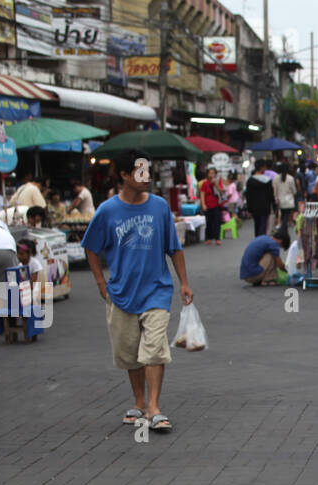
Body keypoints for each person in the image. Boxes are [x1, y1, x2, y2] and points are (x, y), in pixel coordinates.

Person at [82, 148, 192, 432]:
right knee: (130, 352)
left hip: (157, 290)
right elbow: (91, 248)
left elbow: (174, 248)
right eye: (140, 172)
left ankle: (154, 407)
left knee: (154, 349)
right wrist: (99, 282)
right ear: (124, 175)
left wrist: (184, 283)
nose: (146, 178)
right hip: (121, 293)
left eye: (148, 172)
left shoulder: (159, 207)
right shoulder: (107, 210)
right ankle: (140, 401)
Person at [245, 159, 275, 238]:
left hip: (254, 207)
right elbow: (270, 194)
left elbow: (248, 195)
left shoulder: (250, 180)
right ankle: (261, 240)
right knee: (263, 225)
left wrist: (249, 209)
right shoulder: (267, 181)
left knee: (257, 225)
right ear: (261, 168)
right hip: (265, 206)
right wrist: (274, 204)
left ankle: (257, 239)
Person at [199, 166, 225, 246]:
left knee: (217, 222)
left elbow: (221, 192)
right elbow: (202, 194)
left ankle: (217, 238)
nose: (211, 175)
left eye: (213, 173)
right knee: (209, 222)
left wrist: (216, 184)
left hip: (217, 205)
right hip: (208, 205)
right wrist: (203, 204)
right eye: (210, 173)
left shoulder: (217, 182)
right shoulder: (205, 183)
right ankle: (208, 238)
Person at [272, 161, 300, 229]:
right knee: (286, 216)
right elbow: (294, 191)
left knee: (282, 215)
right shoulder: (290, 178)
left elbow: (274, 190)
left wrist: (275, 197)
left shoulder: (276, 178)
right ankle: (284, 227)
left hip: (280, 200)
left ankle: (282, 227)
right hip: (289, 201)